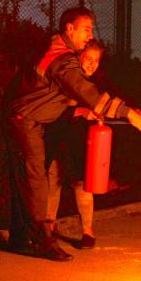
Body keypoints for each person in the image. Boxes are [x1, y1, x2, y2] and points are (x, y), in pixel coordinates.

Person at [5, 7, 141, 261]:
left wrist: (127, 110)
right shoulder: (62, 59)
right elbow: (85, 91)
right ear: (69, 28)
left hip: (32, 119)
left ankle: (20, 238)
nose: (89, 35)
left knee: (27, 178)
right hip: (24, 119)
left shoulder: (64, 54)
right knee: (36, 179)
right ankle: (43, 240)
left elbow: (83, 93)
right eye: (86, 30)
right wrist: (126, 114)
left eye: (91, 30)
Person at [45, 39, 105, 249]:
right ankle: (48, 227)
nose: (91, 64)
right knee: (54, 181)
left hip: (79, 141)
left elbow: (104, 104)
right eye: (88, 58)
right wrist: (80, 112)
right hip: (58, 138)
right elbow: (56, 109)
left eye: (96, 60)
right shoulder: (68, 78)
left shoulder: (93, 85)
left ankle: (88, 231)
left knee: (82, 184)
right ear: (79, 57)